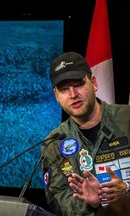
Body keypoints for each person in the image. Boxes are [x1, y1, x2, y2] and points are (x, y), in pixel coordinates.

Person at [40, 51, 130, 216]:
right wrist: (90, 204)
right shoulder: (54, 143)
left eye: (79, 85)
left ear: (94, 83)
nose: (73, 95)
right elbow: (58, 197)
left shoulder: (127, 119)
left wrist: (127, 193)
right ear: (56, 96)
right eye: (64, 89)